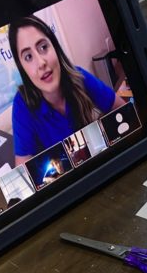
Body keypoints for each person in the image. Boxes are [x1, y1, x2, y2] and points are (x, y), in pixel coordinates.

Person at [8, 15, 125, 166]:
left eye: (43, 47)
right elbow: (23, 168)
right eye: (28, 57)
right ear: (22, 67)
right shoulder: (22, 104)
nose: (41, 63)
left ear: (55, 47)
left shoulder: (79, 77)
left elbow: (123, 109)